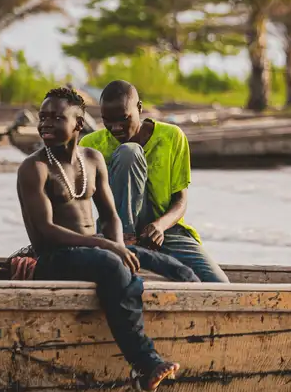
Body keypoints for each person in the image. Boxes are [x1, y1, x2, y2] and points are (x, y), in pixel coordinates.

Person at [16, 87, 184, 392]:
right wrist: (108, 247)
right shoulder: (34, 168)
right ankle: (144, 364)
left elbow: (110, 217)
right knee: (111, 265)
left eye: (56, 117)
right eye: (43, 117)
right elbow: (45, 229)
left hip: (92, 249)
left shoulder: (92, 159)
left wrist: (117, 244)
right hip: (55, 257)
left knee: (174, 266)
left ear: (78, 124)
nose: (45, 124)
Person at [80, 80, 230, 283]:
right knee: (129, 152)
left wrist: (159, 226)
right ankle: (127, 240)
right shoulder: (91, 144)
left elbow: (180, 200)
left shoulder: (171, 137)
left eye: (123, 119)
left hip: (165, 231)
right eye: (108, 121)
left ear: (139, 109)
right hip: (114, 235)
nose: (115, 128)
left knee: (219, 285)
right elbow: (80, 203)